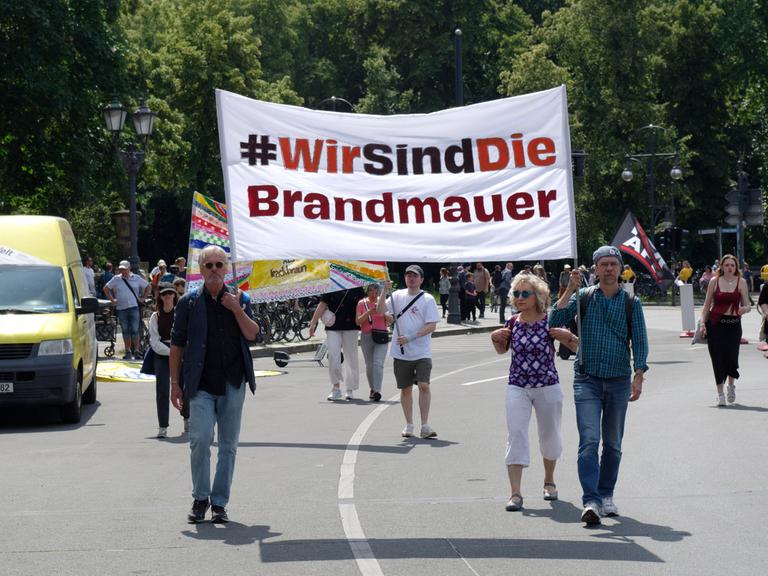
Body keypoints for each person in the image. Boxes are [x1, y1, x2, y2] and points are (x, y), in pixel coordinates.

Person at [550, 245, 649, 525]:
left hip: (618, 380)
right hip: (588, 380)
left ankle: (606, 495)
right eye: (603, 264)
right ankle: (590, 500)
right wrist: (569, 289)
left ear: (620, 269)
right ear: (595, 269)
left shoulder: (631, 303)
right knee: (589, 440)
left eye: (612, 264)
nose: (608, 269)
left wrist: (638, 374)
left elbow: (640, 342)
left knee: (614, 444)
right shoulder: (583, 297)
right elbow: (554, 320)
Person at [169, 245, 259, 524]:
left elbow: (254, 334)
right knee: (199, 439)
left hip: (233, 382)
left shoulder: (240, 298)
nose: (215, 271)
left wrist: (236, 309)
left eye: (219, 265)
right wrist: (175, 383)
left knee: (228, 445)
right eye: (208, 266)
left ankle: (219, 503)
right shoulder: (189, 303)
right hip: (201, 385)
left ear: (226, 268)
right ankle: (200, 498)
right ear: (200, 270)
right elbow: (176, 344)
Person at [490, 273, 577, 512]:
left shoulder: (549, 321)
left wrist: (568, 337)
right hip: (517, 386)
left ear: (537, 296)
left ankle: (549, 481)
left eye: (524, 293)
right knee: (516, 433)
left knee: (550, 435)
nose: (519, 298)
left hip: (547, 385)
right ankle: (515, 493)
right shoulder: (512, 322)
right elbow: (501, 350)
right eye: (516, 293)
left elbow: (577, 347)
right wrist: (494, 338)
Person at [377, 265, 441, 438]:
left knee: (424, 385)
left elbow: (432, 325)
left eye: (415, 276)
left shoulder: (427, 299)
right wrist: (384, 290)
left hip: (422, 351)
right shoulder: (396, 296)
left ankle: (425, 425)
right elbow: (380, 310)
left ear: (421, 279)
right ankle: (409, 424)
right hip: (401, 352)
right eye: (408, 276)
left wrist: (411, 337)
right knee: (405, 389)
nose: (411, 278)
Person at [699, 254, 752, 406]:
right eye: (727, 265)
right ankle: (720, 394)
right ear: (721, 267)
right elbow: (707, 304)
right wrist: (702, 324)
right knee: (717, 358)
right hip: (716, 324)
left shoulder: (741, 282)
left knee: (731, 357)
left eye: (732, 265)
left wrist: (744, 309)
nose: (730, 268)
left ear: (736, 268)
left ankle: (731, 386)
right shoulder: (714, 282)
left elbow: (747, 304)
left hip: (734, 325)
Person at [309, 287, 364, 401]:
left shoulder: (356, 286)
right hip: (333, 326)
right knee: (333, 356)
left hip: (351, 326)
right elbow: (322, 304)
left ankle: (350, 389)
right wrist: (313, 323)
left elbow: (363, 305)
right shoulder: (331, 285)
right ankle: (336, 387)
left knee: (351, 358)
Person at [103, 260, 150, 360]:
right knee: (125, 330)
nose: (122, 271)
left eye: (124, 269)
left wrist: (143, 298)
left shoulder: (136, 278)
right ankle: (128, 351)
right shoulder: (116, 279)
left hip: (133, 307)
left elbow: (148, 286)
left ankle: (136, 351)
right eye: (121, 269)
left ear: (129, 269)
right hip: (121, 308)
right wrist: (112, 300)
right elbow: (106, 288)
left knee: (135, 330)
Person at [149, 283, 179, 439]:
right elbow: (154, 341)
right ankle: (163, 426)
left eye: (170, 293)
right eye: (164, 294)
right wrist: (170, 352)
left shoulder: (180, 313)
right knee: (162, 390)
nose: (167, 296)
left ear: (174, 295)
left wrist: (178, 352)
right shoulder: (156, 316)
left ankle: (187, 417)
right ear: (160, 297)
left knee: (185, 385)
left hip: (179, 351)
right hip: (162, 353)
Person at [356, 284, 389, 402]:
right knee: (369, 365)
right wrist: (369, 312)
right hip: (367, 336)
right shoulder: (361, 303)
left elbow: (391, 320)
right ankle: (372, 388)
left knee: (378, 363)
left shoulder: (384, 302)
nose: (374, 294)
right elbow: (358, 321)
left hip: (381, 335)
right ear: (367, 291)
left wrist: (384, 313)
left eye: (376, 292)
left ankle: (377, 390)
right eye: (371, 291)